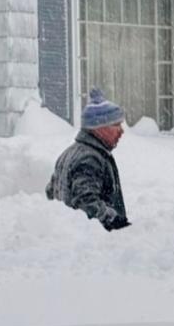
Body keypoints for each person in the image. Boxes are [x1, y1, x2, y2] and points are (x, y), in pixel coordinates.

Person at [46, 88, 130, 231]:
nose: (121, 131)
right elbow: (85, 202)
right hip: (91, 243)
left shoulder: (69, 153)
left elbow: (51, 192)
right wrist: (114, 221)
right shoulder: (90, 159)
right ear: (99, 128)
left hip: (69, 237)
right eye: (116, 125)